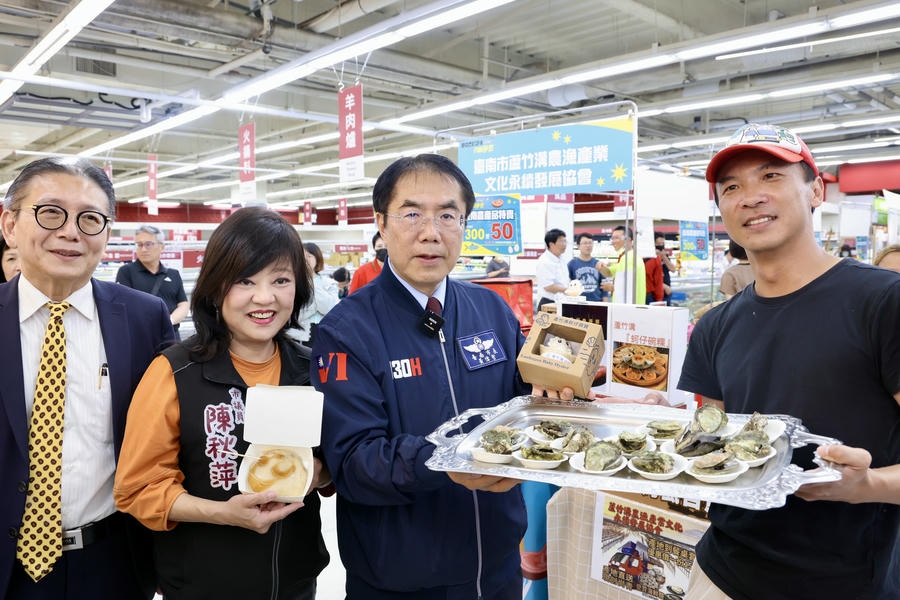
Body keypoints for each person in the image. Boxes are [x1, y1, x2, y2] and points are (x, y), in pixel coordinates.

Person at [311, 154, 593, 600]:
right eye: (411, 214)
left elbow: (525, 400)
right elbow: (354, 463)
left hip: (500, 565)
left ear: (464, 224)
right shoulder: (347, 331)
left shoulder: (491, 310)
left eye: (447, 215)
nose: (431, 232)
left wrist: (572, 396)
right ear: (381, 224)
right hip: (400, 580)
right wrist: (450, 459)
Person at [678, 123, 900, 600]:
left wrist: (867, 485)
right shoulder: (714, 326)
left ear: (816, 191)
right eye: (731, 187)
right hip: (721, 574)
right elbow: (713, 446)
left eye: (771, 176)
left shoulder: (884, 302)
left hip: (846, 585)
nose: (750, 197)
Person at [114, 207, 331, 599]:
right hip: (202, 584)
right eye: (245, 280)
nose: (264, 297)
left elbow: (338, 459)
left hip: (296, 581)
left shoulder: (313, 369)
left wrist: (321, 472)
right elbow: (138, 488)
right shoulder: (174, 372)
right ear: (215, 287)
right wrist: (223, 513)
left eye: (281, 280)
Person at [0, 157, 175, 599]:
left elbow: (173, 433)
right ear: (10, 225)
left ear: (106, 235)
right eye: (51, 212)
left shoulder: (144, 318)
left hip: (114, 561)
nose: (70, 232)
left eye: (90, 219)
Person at [115, 224, 189, 339]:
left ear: (161, 247)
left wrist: (169, 321)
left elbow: (183, 304)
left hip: (171, 337)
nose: (143, 249)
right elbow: (124, 305)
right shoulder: (126, 272)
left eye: (148, 244)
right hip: (142, 337)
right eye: (139, 245)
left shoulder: (173, 274)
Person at [296, 241, 340, 346]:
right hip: (301, 331)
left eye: (309, 256)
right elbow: (297, 313)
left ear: (317, 259)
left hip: (324, 329)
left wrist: (312, 283)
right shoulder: (295, 282)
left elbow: (330, 309)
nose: (305, 260)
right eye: (302, 257)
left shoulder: (329, 283)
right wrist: (317, 307)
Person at [598, 225, 646, 304]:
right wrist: (600, 266)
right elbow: (609, 272)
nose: (613, 241)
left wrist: (612, 287)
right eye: (612, 238)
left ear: (628, 240)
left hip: (627, 308)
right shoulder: (627, 257)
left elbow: (627, 287)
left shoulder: (629, 259)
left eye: (616, 238)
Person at [535, 228, 570, 310]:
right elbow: (548, 286)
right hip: (548, 303)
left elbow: (564, 280)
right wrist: (568, 290)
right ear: (551, 244)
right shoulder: (544, 261)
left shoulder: (561, 259)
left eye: (565, 241)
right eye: (561, 241)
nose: (564, 244)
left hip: (561, 301)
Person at [567, 233, 605, 301]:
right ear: (578, 246)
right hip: (578, 303)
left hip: (596, 303)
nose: (588, 246)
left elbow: (604, 289)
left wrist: (605, 303)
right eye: (585, 243)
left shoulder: (598, 264)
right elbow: (567, 286)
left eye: (590, 243)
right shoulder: (571, 264)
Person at [655, 234, 675, 304]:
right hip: (655, 292)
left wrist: (664, 257)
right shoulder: (650, 257)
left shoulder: (664, 255)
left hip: (666, 292)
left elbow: (673, 269)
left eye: (662, 243)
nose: (661, 245)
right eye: (658, 244)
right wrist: (663, 285)